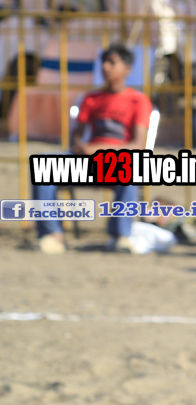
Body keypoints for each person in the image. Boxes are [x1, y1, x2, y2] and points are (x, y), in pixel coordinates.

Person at [31, 45, 149, 254]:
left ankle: (121, 236)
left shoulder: (138, 100)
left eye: (112, 62)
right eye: (103, 62)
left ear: (127, 69)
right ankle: (51, 234)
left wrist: (100, 150)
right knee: (44, 164)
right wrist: (82, 147)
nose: (105, 67)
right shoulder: (91, 98)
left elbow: (137, 145)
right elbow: (77, 136)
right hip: (88, 162)